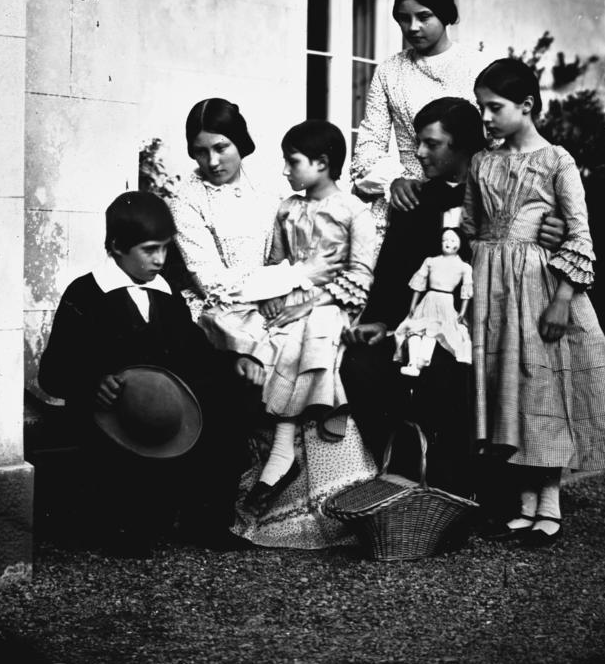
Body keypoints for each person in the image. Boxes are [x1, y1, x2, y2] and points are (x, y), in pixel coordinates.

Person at [340, 96, 566, 526]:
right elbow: (394, 272)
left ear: (462, 147)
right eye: (419, 143)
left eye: (432, 144)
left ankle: (458, 491)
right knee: (360, 364)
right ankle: (403, 476)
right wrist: (379, 321)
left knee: (448, 371)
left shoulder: (498, 196)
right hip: (420, 321)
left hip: (485, 324)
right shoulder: (415, 199)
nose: (420, 153)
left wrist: (551, 231)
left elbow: (527, 248)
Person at [169, 102, 377, 549]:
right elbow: (214, 281)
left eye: (221, 147)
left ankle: (316, 481)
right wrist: (295, 277)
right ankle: (250, 490)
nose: (212, 161)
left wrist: (299, 289)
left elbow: (315, 257)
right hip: (224, 311)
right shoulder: (186, 200)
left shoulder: (272, 190)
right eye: (200, 151)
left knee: (310, 344)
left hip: (283, 303)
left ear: (240, 143)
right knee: (271, 355)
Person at [463, 58, 605, 546]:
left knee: (540, 390)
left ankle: (549, 505)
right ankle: (525, 505)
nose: (486, 117)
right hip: (492, 290)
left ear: (526, 105)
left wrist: (563, 298)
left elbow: (580, 235)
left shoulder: (556, 161)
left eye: (495, 107)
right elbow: (469, 226)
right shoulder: (482, 162)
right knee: (510, 393)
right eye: (481, 107)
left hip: (541, 289)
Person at [37, 190, 263, 555]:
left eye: (165, 248)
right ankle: (120, 525)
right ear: (117, 246)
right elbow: (53, 372)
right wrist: (92, 383)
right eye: (149, 250)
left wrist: (233, 361)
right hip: (110, 420)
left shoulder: (164, 293)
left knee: (227, 396)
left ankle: (206, 521)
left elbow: (194, 352)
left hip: (163, 414)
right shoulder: (86, 294)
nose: (160, 259)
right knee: (132, 529)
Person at [241, 120, 378, 513]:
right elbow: (276, 263)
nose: (286, 170)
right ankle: (280, 453)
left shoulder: (354, 211)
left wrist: (310, 303)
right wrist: (273, 294)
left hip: (335, 304)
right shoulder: (287, 209)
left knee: (308, 329)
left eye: (293, 161)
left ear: (321, 163)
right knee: (268, 335)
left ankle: (284, 453)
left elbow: (361, 274)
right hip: (291, 301)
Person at [349, 0, 487, 237]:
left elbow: (501, 146)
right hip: (410, 202)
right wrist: (394, 180)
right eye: (404, 18)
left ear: (445, 15)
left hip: (472, 202)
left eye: (424, 17)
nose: (412, 27)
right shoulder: (390, 71)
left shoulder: (479, 67)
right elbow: (367, 148)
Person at [393, 226, 473, 376]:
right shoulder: (430, 261)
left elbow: (466, 292)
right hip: (428, 300)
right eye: (445, 240)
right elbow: (419, 284)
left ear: (460, 243)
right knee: (415, 329)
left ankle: (421, 362)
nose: (448, 243)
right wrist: (412, 305)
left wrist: (462, 312)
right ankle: (412, 363)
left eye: (453, 240)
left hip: (446, 303)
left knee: (433, 332)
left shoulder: (464, 267)